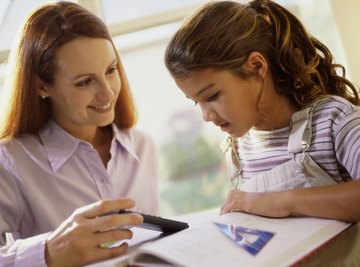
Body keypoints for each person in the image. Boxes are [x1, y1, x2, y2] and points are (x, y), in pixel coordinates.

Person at [165, 0, 360, 222]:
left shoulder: (335, 120)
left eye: (212, 96)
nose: (206, 116)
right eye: (195, 102)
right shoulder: (239, 148)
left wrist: (282, 201)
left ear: (257, 66)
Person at [0, 1, 159, 266]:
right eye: (85, 81)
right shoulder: (10, 162)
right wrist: (48, 252)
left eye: (111, 70)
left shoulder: (142, 146)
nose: (108, 93)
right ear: (42, 86)